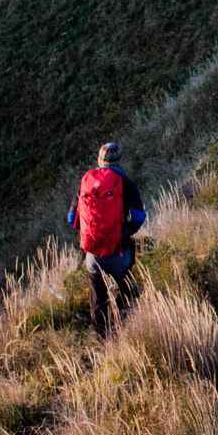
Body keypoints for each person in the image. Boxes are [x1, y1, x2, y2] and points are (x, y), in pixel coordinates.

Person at [67, 141, 146, 331]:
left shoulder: (86, 184)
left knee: (98, 301)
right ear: (118, 162)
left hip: (93, 254)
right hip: (118, 252)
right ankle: (124, 333)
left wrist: (90, 232)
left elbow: (72, 219)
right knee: (124, 295)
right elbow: (139, 216)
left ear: (99, 161)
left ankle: (102, 341)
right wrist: (125, 231)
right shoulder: (125, 184)